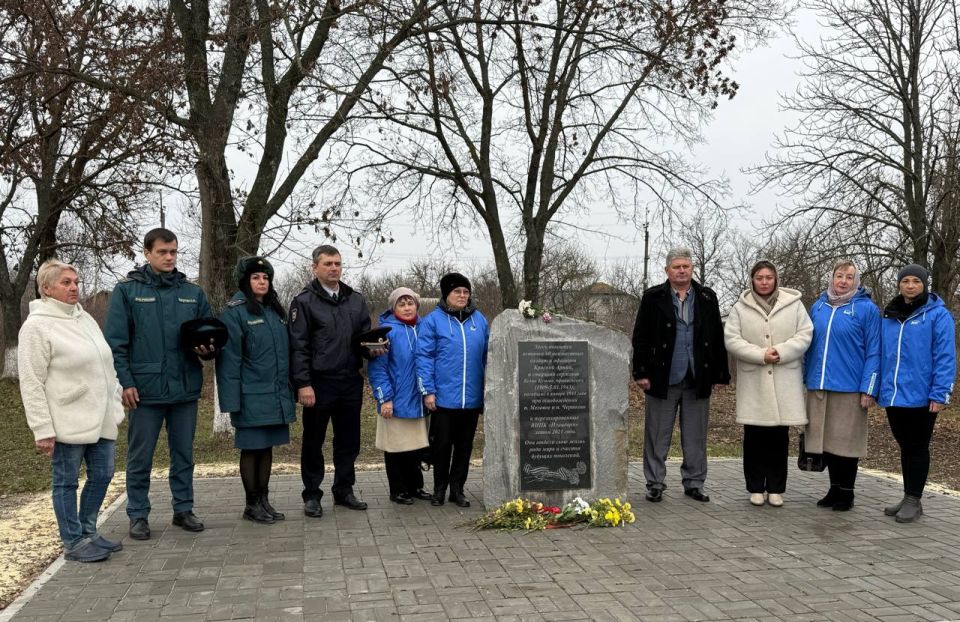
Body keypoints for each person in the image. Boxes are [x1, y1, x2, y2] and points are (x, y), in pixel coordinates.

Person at [105, 228, 214, 540]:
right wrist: (125, 382)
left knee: (184, 454)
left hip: (184, 388)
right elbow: (116, 343)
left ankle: (183, 509)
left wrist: (208, 349)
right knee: (140, 456)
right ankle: (138, 514)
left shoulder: (192, 293)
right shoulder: (127, 291)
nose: (169, 257)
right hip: (145, 390)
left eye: (174, 252)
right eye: (163, 252)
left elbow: (207, 335)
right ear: (147, 253)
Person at [18, 259, 126, 562]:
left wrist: (116, 394)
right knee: (66, 482)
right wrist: (42, 429)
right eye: (66, 282)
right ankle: (73, 541)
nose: (74, 287)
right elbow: (31, 382)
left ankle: (89, 531)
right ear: (47, 288)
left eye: (76, 282)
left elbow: (105, 362)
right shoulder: (36, 327)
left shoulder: (84, 318)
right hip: (66, 419)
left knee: (103, 474)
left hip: (101, 414)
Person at [289, 245, 382, 517]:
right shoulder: (304, 301)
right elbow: (299, 346)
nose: (334, 268)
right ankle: (312, 495)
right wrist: (303, 384)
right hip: (319, 383)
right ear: (314, 267)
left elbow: (364, 338)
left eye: (337, 264)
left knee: (349, 441)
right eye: (328, 263)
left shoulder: (355, 300)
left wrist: (374, 349)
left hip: (350, 381)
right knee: (314, 441)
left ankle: (344, 490)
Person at [631, 247, 730, 503]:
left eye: (686, 266)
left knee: (696, 435)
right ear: (667, 270)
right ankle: (655, 482)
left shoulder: (707, 297)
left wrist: (720, 374)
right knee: (657, 433)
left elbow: (717, 337)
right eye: (677, 267)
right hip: (662, 376)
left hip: (698, 376)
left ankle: (694, 482)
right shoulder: (653, 297)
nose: (682, 270)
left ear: (692, 268)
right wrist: (640, 371)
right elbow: (640, 336)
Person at [724, 261, 812, 507]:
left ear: (776, 279)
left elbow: (805, 334)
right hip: (755, 381)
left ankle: (776, 488)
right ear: (752, 280)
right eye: (759, 278)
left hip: (784, 379)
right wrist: (759, 355)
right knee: (754, 437)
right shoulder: (740, 308)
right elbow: (732, 339)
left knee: (778, 438)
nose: (764, 282)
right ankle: (754, 487)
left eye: (769, 278)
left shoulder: (793, 305)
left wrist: (781, 351)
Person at [216, 257, 295, 524]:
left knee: (267, 448)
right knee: (252, 450)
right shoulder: (235, 313)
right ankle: (251, 504)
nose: (262, 282)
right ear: (245, 282)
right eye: (255, 278)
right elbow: (229, 362)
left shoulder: (274, 311)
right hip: (250, 396)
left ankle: (264, 500)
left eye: (265, 278)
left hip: (275, 395)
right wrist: (231, 402)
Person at [878, 264, 956, 523]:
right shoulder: (889, 315)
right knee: (905, 445)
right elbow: (883, 354)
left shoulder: (937, 315)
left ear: (924, 285)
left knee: (918, 446)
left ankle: (914, 499)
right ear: (899, 285)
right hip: (894, 394)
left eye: (916, 281)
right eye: (906, 281)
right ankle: (907, 494)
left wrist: (940, 393)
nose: (910, 285)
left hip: (923, 395)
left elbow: (945, 356)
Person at [803, 260, 881, 511]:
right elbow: (807, 344)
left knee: (846, 444)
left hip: (849, 387)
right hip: (819, 385)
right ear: (832, 278)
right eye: (839, 276)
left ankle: (847, 492)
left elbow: (875, 352)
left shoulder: (866, 309)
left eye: (849, 277)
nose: (843, 281)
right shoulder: (818, 307)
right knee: (827, 443)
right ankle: (834, 488)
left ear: (856, 281)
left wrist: (869, 387)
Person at [416, 273, 489, 507]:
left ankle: (457, 489)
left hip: (471, 399)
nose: (462, 296)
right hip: (443, 399)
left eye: (466, 292)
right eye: (457, 292)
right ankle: (439, 489)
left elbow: (488, 357)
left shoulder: (480, 321)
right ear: (446, 295)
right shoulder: (433, 321)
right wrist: (428, 390)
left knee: (464, 447)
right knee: (442, 446)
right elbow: (424, 357)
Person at [367, 287, 433, 505]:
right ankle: (398, 489)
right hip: (395, 399)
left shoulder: (425, 328)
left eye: (410, 303)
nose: (407, 308)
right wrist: (385, 398)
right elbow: (378, 369)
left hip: (419, 399)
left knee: (415, 446)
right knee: (396, 448)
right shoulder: (386, 332)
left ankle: (416, 486)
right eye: (401, 304)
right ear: (393, 307)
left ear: (417, 305)